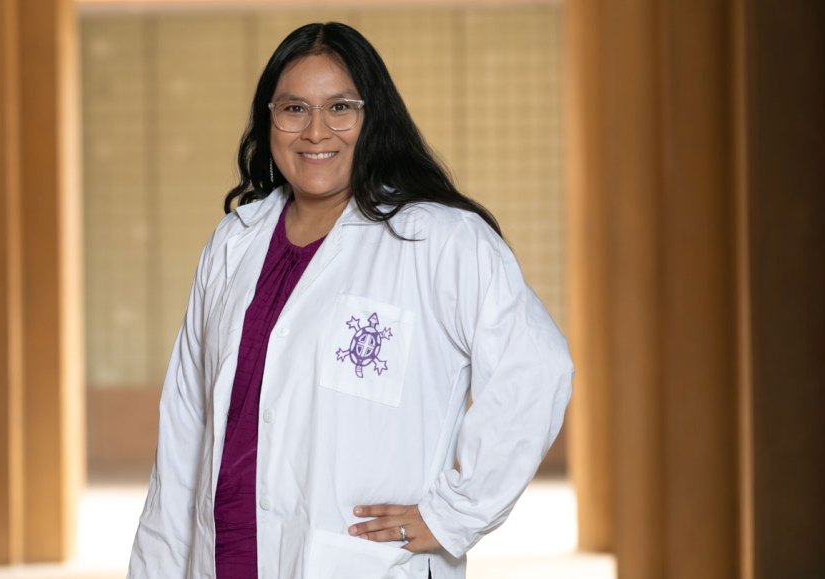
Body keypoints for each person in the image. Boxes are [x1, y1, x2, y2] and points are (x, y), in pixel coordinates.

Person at [128, 21, 572, 579]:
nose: (316, 131)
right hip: (222, 557)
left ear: (373, 117)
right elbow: (185, 423)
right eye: (294, 109)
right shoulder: (233, 243)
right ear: (270, 120)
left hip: (356, 562)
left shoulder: (440, 240)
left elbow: (536, 370)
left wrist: (454, 513)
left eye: (340, 107)